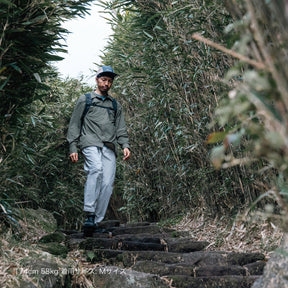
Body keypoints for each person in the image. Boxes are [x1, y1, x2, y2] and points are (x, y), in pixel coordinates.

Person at [67, 65, 131, 233]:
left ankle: (95, 220)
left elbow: (120, 128)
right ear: (97, 80)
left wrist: (125, 145)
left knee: (108, 182)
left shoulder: (115, 105)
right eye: (103, 80)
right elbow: (75, 124)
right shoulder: (86, 99)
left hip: (109, 145)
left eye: (109, 81)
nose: (106, 84)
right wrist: (73, 146)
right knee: (95, 169)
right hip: (90, 141)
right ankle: (89, 212)